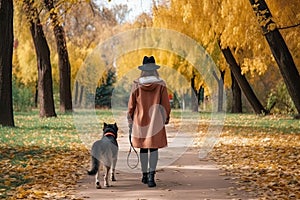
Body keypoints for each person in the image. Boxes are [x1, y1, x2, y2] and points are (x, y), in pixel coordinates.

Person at [127, 56, 171, 187]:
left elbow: (131, 105)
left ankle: (144, 175)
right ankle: (151, 177)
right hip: (156, 121)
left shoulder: (136, 84)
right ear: (154, 70)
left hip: (140, 120)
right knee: (153, 148)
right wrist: (165, 118)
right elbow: (165, 105)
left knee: (143, 148)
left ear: (143, 70)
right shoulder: (161, 84)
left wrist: (130, 120)